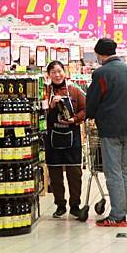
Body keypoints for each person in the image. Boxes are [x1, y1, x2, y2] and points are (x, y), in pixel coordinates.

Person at [86, 38, 127, 227]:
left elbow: (92, 101)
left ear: (99, 53)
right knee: (122, 171)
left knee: (112, 172)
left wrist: (91, 115)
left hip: (109, 129)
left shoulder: (101, 73)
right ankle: (121, 212)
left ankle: (116, 216)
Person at [44, 61, 86, 218]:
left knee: (74, 172)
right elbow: (40, 114)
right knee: (55, 173)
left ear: (64, 72)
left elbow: (85, 109)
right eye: (53, 72)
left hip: (72, 137)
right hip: (52, 138)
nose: (57, 75)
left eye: (59, 71)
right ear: (49, 75)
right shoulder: (45, 92)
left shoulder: (74, 90)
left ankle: (75, 205)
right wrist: (51, 105)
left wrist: (75, 119)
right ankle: (60, 205)